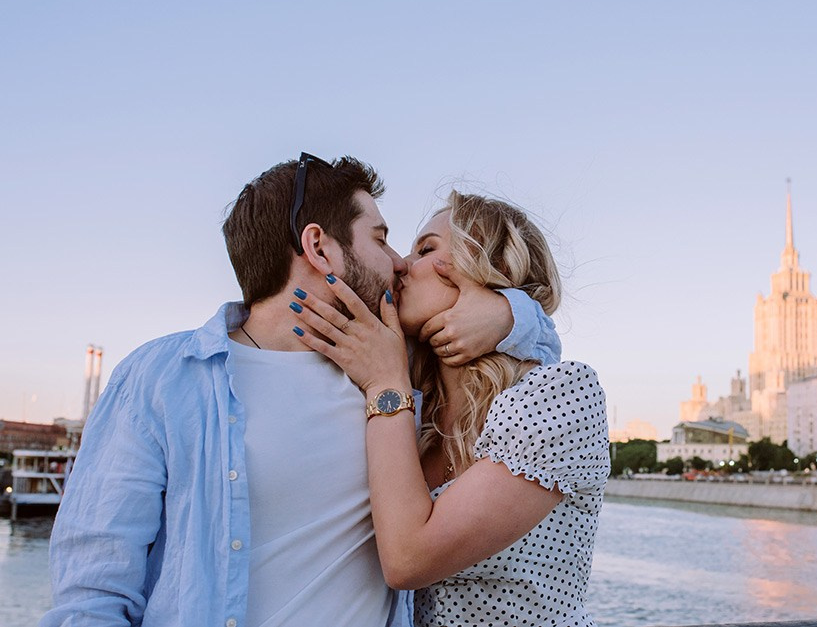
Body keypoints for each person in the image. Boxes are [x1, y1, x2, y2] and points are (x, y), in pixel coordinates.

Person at [43, 156, 561, 627]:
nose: (398, 262)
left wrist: (511, 312)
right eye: (381, 240)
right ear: (319, 247)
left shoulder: (393, 370)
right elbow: (93, 590)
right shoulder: (161, 376)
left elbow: (541, 355)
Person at [290, 190, 609, 627]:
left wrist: (387, 384)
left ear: (484, 269)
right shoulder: (414, 404)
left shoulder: (558, 394)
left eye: (426, 250)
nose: (401, 264)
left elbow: (407, 560)